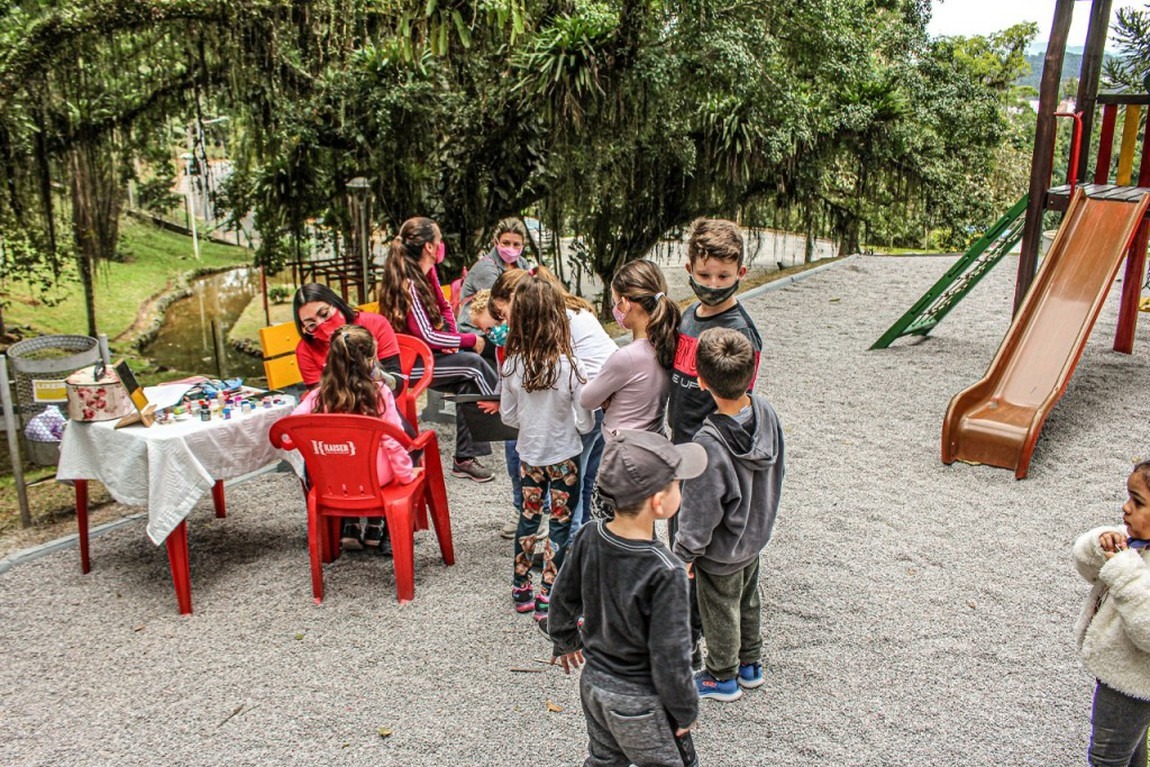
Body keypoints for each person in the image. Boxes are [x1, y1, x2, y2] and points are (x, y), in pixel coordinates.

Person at [549, 429, 707, 767]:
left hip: (593, 684)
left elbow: (562, 594)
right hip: (640, 698)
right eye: (677, 482)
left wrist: (565, 639)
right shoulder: (667, 570)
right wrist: (685, 709)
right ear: (658, 501)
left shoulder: (588, 535)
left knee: (604, 759)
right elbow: (671, 655)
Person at [673, 327, 784, 702]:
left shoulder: (708, 444)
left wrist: (685, 554)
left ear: (700, 380)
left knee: (720, 608)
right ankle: (750, 663)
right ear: (750, 373)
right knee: (749, 599)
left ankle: (723, 676)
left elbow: (700, 509)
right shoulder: (766, 412)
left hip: (721, 549)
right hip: (755, 533)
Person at [492, 266, 616, 538]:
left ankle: (567, 555)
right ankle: (580, 547)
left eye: (505, 313)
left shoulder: (554, 321)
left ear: (518, 297)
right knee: (584, 481)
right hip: (605, 401)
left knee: (569, 489)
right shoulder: (573, 310)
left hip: (587, 402)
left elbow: (550, 374)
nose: (507, 322)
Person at [499, 275, 594, 622]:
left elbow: (508, 416)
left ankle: (520, 586)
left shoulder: (510, 364)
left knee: (528, 518)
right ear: (557, 315)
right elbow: (585, 423)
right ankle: (547, 594)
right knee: (559, 525)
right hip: (565, 457)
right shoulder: (571, 367)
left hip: (529, 457)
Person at [378, 216, 499, 483]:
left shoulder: (426, 271)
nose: (442, 244)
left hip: (429, 353)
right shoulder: (407, 282)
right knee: (473, 363)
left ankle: (464, 458)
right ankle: (512, 419)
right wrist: (466, 341)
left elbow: (445, 308)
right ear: (430, 247)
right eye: (439, 239)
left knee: (470, 381)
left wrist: (453, 339)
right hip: (410, 362)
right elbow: (427, 335)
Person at [292, 324, 415, 552]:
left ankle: (350, 526)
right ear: (370, 358)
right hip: (373, 478)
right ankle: (376, 527)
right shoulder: (379, 393)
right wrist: (405, 476)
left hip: (331, 479)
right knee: (392, 458)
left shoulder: (318, 395)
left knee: (345, 459)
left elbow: (292, 427)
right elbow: (393, 440)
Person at [1072, 461, 1150, 766]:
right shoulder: (1135, 543)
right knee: (1131, 746)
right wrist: (1099, 543)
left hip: (1132, 679)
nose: (1125, 507)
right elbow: (1086, 566)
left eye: (1138, 502)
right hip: (1123, 670)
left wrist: (1123, 569)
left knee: (1107, 757)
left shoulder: (1130, 561)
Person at [668, 218, 762, 445]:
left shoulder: (741, 332)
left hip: (712, 444)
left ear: (740, 272)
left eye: (723, 276)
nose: (713, 285)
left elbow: (740, 403)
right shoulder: (689, 314)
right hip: (680, 439)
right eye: (704, 275)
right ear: (689, 269)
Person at [581, 258, 680, 435]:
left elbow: (587, 400)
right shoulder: (668, 343)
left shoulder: (627, 357)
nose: (615, 309)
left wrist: (609, 395)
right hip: (655, 442)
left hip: (625, 452)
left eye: (616, 301)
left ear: (625, 303)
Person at [292, 283, 404, 393]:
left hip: (382, 402)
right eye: (311, 325)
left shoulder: (375, 324)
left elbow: (397, 384)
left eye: (325, 314)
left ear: (336, 304)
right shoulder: (305, 349)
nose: (322, 326)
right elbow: (318, 396)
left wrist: (373, 372)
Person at [457, 217, 533, 336]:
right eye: (506, 243)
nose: (511, 248)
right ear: (496, 242)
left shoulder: (522, 263)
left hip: (506, 326)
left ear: (523, 245)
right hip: (477, 332)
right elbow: (502, 306)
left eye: (516, 244)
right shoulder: (486, 268)